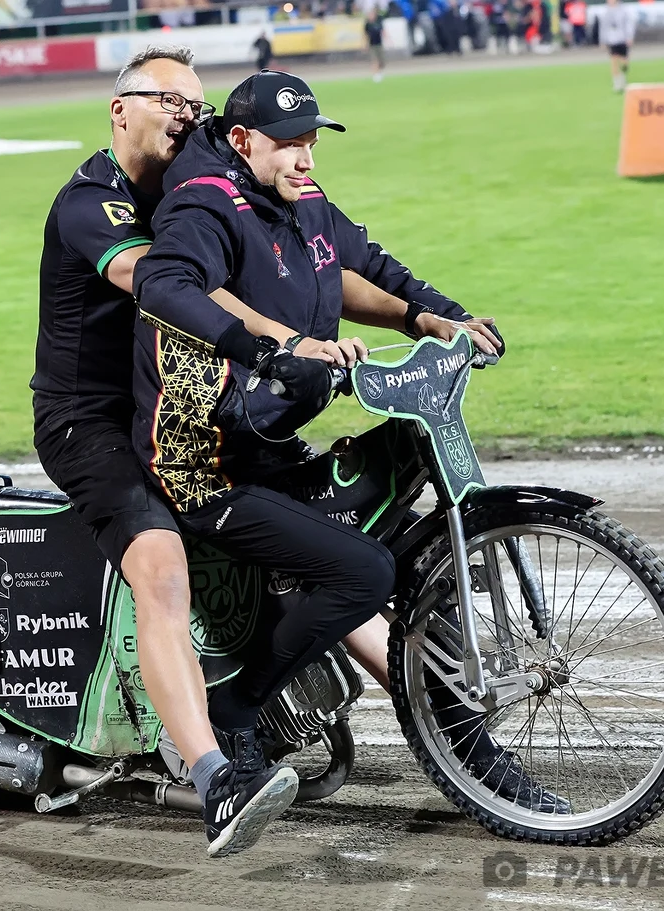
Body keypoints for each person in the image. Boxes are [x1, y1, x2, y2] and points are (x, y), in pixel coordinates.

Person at [133, 70, 568, 833]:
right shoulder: (203, 204)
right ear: (242, 141)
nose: (307, 159)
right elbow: (171, 283)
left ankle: (456, 733)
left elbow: (365, 267)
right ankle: (236, 707)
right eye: (290, 145)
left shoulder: (303, 204)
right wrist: (283, 341)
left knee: (402, 460)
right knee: (366, 569)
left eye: (311, 143)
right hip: (203, 468)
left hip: (271, 447)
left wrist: (437, 318)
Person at [32, 45, 315, 859]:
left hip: (178, 409)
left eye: (199, 106)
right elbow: (159, 279)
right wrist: (273, 331)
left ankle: (440, 715)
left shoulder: (196, 195)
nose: (190, 116)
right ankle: (216, 779)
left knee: (318, 520)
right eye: (172, 101)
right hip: (90, 421)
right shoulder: (91, 200)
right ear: (121, 109)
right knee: (159, 562)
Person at [599, 0, 636, 92]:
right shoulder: (605, 12)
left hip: (622, 39)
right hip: (612, 40)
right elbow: (603, 27)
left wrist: (629, 37)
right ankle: (617, 84)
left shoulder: (623, 10)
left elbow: (628, 24)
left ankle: (623, 78)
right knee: (614, 60)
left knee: (624, 62)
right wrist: (603, 41)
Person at [365, 7, 386, 81]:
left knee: (382, 61)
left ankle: (380, 72)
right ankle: (375, 74)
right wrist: (366, 44)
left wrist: (388, 39)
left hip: (379, 44)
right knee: (374, 60)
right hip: (372, 45)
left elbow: (382, 31)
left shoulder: (378, 22)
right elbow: (366, 35)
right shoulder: (367, 24)